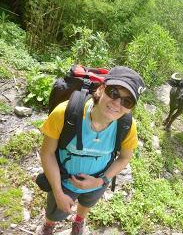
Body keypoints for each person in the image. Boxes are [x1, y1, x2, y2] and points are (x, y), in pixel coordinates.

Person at [37, 66, 145, 235]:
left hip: (98, 181)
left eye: (127, 101)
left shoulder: (127, 127)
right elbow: (47, 153)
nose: (117, 103)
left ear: (131, 108)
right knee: (55, 211)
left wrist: (100, 181)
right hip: (63, 181)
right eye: (114, 92)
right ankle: (50, 224)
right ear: (101, 88)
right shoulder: (65, 113)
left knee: (87, 204)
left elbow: (124, 158)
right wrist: (58, 192)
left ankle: (79, 221)